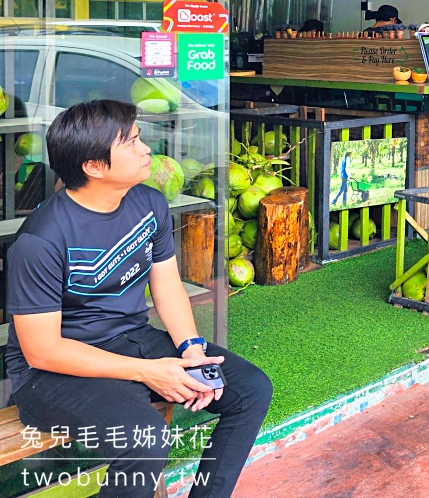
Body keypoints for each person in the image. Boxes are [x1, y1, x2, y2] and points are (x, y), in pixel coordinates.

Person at [6, 101, 272, 498]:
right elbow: (43, 351)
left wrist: (192, 349)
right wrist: (147, 372)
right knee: (145, 438)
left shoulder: (148, 203)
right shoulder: (41, 240)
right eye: (130, 143)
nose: (146, 149)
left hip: (130, 339)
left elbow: (167, 287)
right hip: (51, 374)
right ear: (94, 167)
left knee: (249, 389)